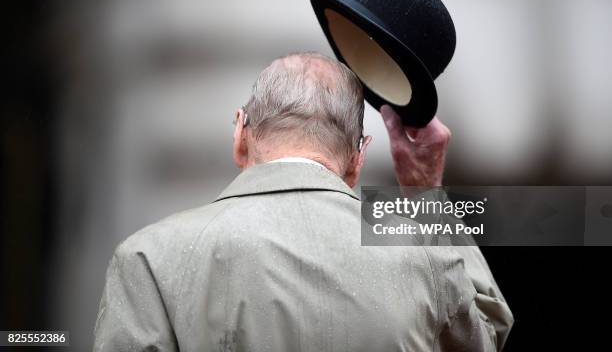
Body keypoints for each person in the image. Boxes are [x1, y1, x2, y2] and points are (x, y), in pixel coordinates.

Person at [93, 52, 513, 351]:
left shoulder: (149, 260)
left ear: (241, 134)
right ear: (358, 157)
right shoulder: (424, 257)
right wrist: (425, 195)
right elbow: (486, 333)